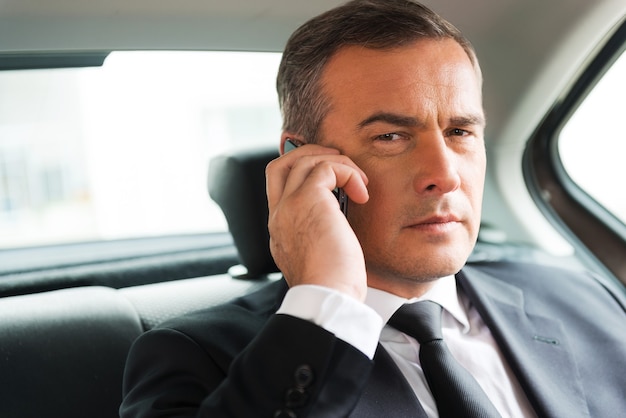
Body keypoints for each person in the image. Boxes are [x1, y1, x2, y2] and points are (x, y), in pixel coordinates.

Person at [120, 1, 626, 417]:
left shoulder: (581, 297)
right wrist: (329, 300)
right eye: (391, 136)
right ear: (304, 162)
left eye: (460, 131)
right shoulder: (196, 359)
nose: (445, 174)